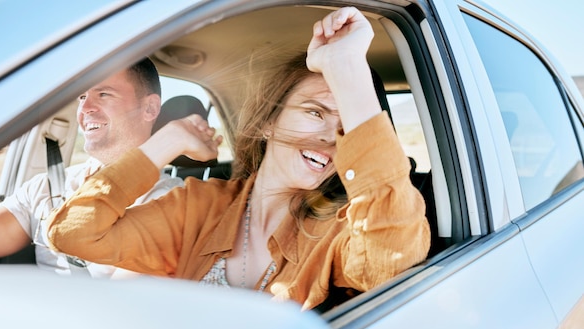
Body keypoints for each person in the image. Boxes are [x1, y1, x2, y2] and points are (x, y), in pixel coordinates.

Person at [47, 7, 431, 309]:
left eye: (345, 126)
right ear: (268, 122)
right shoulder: (197, 206)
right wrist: (168, 141)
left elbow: (389, 260)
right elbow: (74, 234)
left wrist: (347, 67)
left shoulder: (338, 229)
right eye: (315, 112)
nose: (331, 138)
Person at [0, 58, 183, 277]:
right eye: (82, 96)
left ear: (150, 108)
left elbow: (118, 305)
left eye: (104, 94)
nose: (85, 108)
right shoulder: (47, 187)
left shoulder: (171, 201)